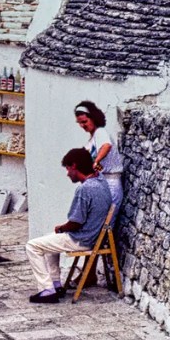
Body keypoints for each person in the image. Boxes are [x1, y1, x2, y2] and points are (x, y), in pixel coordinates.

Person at [25, 147, 113, 304]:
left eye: (67, 169)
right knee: (50, 240)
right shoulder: (101, 181)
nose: (67, 174)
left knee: (32, 246)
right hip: (94, 236)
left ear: (74, 166)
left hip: (82, 239)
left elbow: (75, 222)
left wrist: (62, 228)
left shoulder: (84, 189)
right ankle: (56, 285)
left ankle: (46, 290)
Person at [73, 100, 123, 215]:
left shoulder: (100, 132)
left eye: (84, 121)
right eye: (79, 123)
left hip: (110, 183)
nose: (82, 125)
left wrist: (96, 161)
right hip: (102, 184)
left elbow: (106, 146)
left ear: (93, 118)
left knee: (106, 220)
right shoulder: (92, 139)